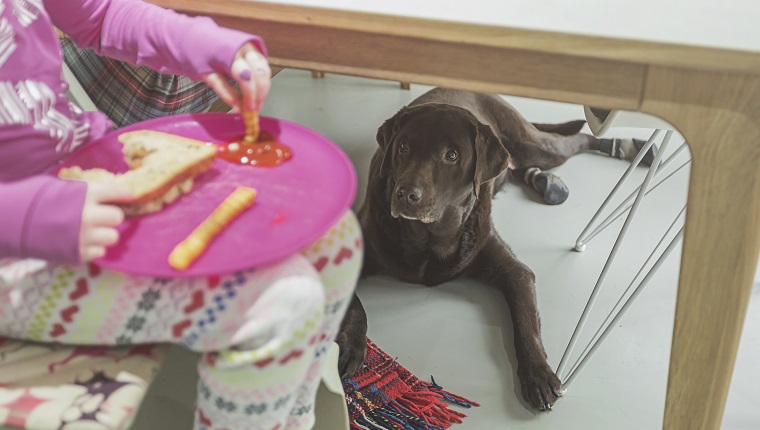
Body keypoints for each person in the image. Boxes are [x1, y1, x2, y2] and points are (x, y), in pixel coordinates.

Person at [0, 1, 362, 429]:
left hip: (84, 185)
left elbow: (100, 14)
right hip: (20, 258)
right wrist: (37, 213)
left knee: (336, 241)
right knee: (280, 302)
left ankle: (292, 420)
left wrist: (210, 44)